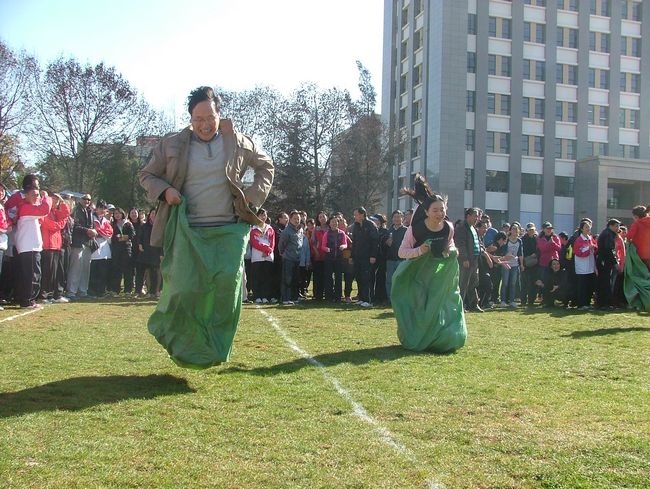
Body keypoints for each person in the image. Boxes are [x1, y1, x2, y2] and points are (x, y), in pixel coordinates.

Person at [139, 86, 274, 368]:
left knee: (226, 290)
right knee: (185, 291)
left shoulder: (238, 142)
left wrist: (252, 198)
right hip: (189, 232)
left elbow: (266, 166)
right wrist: (165, 191)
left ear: (219, 115)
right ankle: (184, 345)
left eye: (209, 117)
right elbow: (147, 175)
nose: (204, 124)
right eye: (198, 119)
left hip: (229, 230)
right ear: (190, 119)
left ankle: (215, 350)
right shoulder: (172, 144)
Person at [393, 175, 466, 353]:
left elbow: (450, 245)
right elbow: (402, 252)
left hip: (438, 276)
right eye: (435, 210)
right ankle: (418, 337)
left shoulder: (448, 227)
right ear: (426, 212)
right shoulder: (415, 230)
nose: (439, 214)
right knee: (421, 309)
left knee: (442, 306)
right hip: (416, 276)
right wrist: (420, 251)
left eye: (442, 210)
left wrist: (452, 250)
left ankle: (441, 337)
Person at [9, 178, 52, 308]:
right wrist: (46, 197)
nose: (36, 197)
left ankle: (27, 299)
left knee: (31, 274)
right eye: (33, 195)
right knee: (32, 274)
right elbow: (45, 209)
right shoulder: (25, 207)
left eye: (37, 195)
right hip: (29, 247)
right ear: (26, 195)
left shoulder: (27, 207)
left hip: (31, 246)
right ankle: (27, 300)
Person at [40, 193, 71, 303]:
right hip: (47, 245)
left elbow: (66, 213)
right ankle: (44, 295)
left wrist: (62, 202)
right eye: (53, 199)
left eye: (57, 200)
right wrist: (61, 224)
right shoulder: (44, 211)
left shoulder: (54, 212)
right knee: (48, 272)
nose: (55, 201)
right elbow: (50, 225)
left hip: (56, 245)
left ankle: (56, 294)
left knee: (58, 272)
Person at [66, 194, 96, 299]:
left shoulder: (90, 211)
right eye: (85, 199)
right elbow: (74, 226)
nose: (87, 201)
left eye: (89, 199)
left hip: (88, 243)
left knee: (85, 268)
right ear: (80, 199)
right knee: (75, 268)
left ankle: (83, 291)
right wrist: (88, 231)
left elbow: (91, 226)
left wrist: (93, 231)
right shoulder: (76, 210)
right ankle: (71, 292)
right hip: (78, 242)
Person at [455, 207, 483, 312]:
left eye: (478, 216)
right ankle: (460, 306)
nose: (477, 218)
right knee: (463, 284)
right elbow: (460, 244)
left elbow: (477, 243)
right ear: (468, 216)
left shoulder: (473, 228)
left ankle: (474, 304)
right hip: (466, 261)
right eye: (475, 216)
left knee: (473, 283)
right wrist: (464, 258)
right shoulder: (462, 228)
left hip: (474, 260)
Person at [351, 207, 379, 307]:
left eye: (356, 214)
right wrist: (352, 256)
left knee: (367, 278)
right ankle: (362, 298)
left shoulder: (371, 225)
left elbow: (375, 242)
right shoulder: (356, 226)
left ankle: (369, 300)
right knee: (359, 277)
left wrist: (373, 255)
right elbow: (354, 242)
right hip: (358, 257)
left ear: (362, 214)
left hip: (368, 257)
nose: (354, 217)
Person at [624, 204, 650, 311]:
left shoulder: (637, 223)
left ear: (636, 216)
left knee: (640, 279)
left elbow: (629, 237)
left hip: (640, 257)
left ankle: (644, 302)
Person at [249, 208, 275, 304]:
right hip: (257, 256)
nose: (263, 217)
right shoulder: (253, 229)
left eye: (264, 215)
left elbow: (272, 242)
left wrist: (268, 251)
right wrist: (265, 249)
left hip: (268, 256)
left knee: (267, 277)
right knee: (257, 277)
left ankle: (265, 296)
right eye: (261, 215)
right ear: (257, 216)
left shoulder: (270, 228)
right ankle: (257, 296)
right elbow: (254, 242)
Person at [88, 200, 113, 298]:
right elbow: (94, 231)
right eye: (100, 208)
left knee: (103, 271)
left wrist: (100, 232)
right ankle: (92, 290)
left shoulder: (106, 221)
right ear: (96, 208)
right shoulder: (92, 218)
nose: (102, 210)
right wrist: (100, 232)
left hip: (104, 248)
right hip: (94, 247)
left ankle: (101, 290)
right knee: (94, 270)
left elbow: (109, 232)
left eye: (104, 208)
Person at [320, 215, 348, 302]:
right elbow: (323, 246)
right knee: (329, 277)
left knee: (338, 277)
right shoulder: (327, 234)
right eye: (332, 222)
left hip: (339, 258)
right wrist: (327, 249)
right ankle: (329, 296)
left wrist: (343, 246)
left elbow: (345, 244)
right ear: (329, 223)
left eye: (336, 222)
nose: (334, 223)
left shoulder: (342, 233)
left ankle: (338, 297)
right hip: (329, 258)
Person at [278, 210, 303, 305]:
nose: (297, 220)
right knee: (287, 279)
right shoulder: (286, 231)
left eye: (298, 219)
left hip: (297, 258)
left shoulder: (300, 230)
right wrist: (283, 253)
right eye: (295, 219)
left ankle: (294, 297)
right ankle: (286, 298)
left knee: (295, 279)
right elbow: (281, 245)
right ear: (290, 219)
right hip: (288, 258)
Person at [110, 207, 136, 295]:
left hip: (126, 248)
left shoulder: (128, 223)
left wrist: (125, 237)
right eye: (115, 213)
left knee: (127, 270)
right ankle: (115, 289)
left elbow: (132, 234)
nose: (117, 215)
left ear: (122, 214)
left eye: (119, 213)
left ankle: (128, 290)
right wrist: (117, 238)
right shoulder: (112, 224)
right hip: (116, 249)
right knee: (116, 269)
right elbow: (111, 236)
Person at [596, 218, 621, 309]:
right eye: (616, 226)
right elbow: (609, 249)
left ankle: (603, 303)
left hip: (603, 261)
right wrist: (615, 262)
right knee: (605, 283)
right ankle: (605, 303)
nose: (618, 228)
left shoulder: (606, 233)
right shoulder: (608, 234)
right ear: (611, 226)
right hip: (605, 262)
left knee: (603, 282)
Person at [573, 220, 597, 310]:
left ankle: (587, 302)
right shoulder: (579, 239)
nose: (588, 228)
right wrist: (588, 249)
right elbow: (578, 252)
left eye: (589, 227)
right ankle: (581, 304)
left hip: (590, 266)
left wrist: (593, 247)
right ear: (582, 229)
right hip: (582, 267)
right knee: (582, 286)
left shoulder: (590, 238)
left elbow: (595, 246)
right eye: (586, 227)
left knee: (589, 286)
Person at [385, 210, 407, 304]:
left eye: (399, 217)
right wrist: (386, 243)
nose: (397, 219)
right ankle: (390, 299)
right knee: (389, 280)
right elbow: (384, 245)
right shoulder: (389, 231)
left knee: (401, 280)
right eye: (395, 217)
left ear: (402, 218)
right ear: (392, 219)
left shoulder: (406, 230)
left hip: (402, 260)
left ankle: (400, 299)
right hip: (390, 259)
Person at [500, 222, 524, 308]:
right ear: (510, 230)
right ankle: (503, 300)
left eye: (516, 229)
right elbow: (502, 252)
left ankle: (512, 300)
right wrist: (506, 256)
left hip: (515, 264)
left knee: (513, 283)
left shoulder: (519, 241)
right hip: (506, 263)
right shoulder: (507, 240)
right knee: (505, 283)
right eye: (513, 229)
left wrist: (521, 264)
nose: (515, 230)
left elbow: (520, 253)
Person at [521, 223, 540, 306]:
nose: (531, 231)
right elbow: (521, 251)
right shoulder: (523, 239)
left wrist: (536, 254)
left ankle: (531, 300)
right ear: (527, 230)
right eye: (530, 230)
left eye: (533, 229)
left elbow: (539, 249)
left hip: (535, 264)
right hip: (525, 264)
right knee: (525, 283)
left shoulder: (537, 239)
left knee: (533, 283)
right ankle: (523, 301)